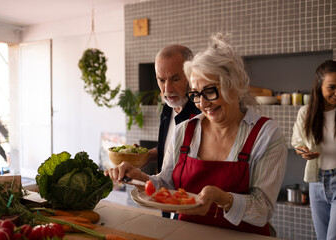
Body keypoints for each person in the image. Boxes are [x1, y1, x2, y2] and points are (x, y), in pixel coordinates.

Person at [106, 33, 287, 236]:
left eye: (210, 91)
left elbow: (263, 209)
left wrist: (222, 198)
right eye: (196, 95)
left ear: (235, 86)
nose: (203, 104)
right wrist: (139, 178)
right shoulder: (185, 130)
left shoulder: (265, 135)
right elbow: (167, 184)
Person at [292, 60, 336, 240]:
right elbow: (297, 143)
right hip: (316, 183)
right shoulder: (306, 113)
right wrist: (303, 151)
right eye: (332, 87)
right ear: (319, 85)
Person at [143, 45, 201, 218]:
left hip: (192, 206)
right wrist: (145, 156)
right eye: (161, 80)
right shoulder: (168, 108)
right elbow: (169, 151)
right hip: (166, 198)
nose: (167, 89)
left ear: (191, 75)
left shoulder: (202, 112)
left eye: (175, 79)